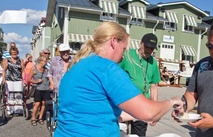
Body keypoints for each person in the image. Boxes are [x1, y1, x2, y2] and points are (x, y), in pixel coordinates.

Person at [54, 22, 183, 137]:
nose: (122, 57)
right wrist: (172, 101)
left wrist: (139, 116)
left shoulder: (74, 68)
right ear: (113, 42)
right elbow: (149, 112)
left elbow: (98, 112)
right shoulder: (106, 68)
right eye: (123, 49)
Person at [119, 33, 161, 136]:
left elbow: (153, 86)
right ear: (140, 44)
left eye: (151, 49)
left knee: (139, 134)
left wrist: (154, 111)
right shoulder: (127, 56)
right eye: (146, 47)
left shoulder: (153, 62)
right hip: (124, 103)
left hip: (142, 105)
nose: (148, 51)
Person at [1, 47, 24, 114]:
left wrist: (24, 80)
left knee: (18, 94)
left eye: (15, 53)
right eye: (13, 53)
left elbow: (23, 70)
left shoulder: (20, 60)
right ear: (10, 53)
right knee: (10, 95)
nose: (14, 54)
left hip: (18, 79)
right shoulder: (7, 60)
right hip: (9, 79)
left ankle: (18, 110)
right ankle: (10, 110)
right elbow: (4, 70)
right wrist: (3, 79)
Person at [28, 55, 50, 126]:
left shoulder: (46, 69)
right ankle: (33, 118)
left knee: (43, 104)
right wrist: (36, 81)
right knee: (37, 104)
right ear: (40, 61)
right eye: (44, 61)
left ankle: (40, 117)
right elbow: (29, 79)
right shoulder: (34, 68)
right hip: (38, 88)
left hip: (46, 88)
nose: (45, 63)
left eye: (46, 61)